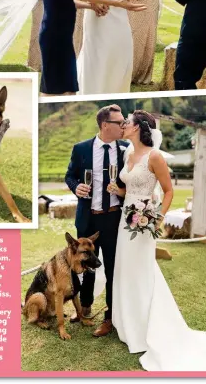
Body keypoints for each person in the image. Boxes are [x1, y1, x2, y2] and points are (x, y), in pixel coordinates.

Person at [105, 110, 206, 371]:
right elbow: (131, 189)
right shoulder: (127, 154)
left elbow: (169, 191)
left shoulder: (154, 156)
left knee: (142, 271)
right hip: (126, 220)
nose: (123, 126)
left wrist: (156, 218)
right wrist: (118, 189)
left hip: (144, 222)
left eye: (127, 123)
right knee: (125, 270)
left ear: (138, 128)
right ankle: (127, 325)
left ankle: (147, 328)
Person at [64, 105, 128, 333]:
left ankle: (110, 316)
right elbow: (69, 176)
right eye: (119, 122)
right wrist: (76, 187)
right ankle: (85, 307)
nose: (123, 126)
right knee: (85, 266)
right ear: (105, 125)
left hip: (112, 220)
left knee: (112, 268)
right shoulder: (81, 149)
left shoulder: (126, 149)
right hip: (87, 220)